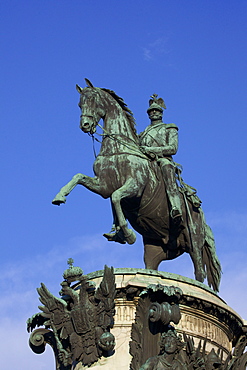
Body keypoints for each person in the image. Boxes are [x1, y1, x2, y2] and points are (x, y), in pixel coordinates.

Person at [139, 94, 182, 223]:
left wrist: (151, 150)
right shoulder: (142, 134)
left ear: (161, 113)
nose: (153, 112)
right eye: (151, 111)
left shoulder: (169, 128)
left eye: (156, 110)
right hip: (146, 161)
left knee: (166, 166)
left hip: (162, 160)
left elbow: (173, 148)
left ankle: (175, 205)